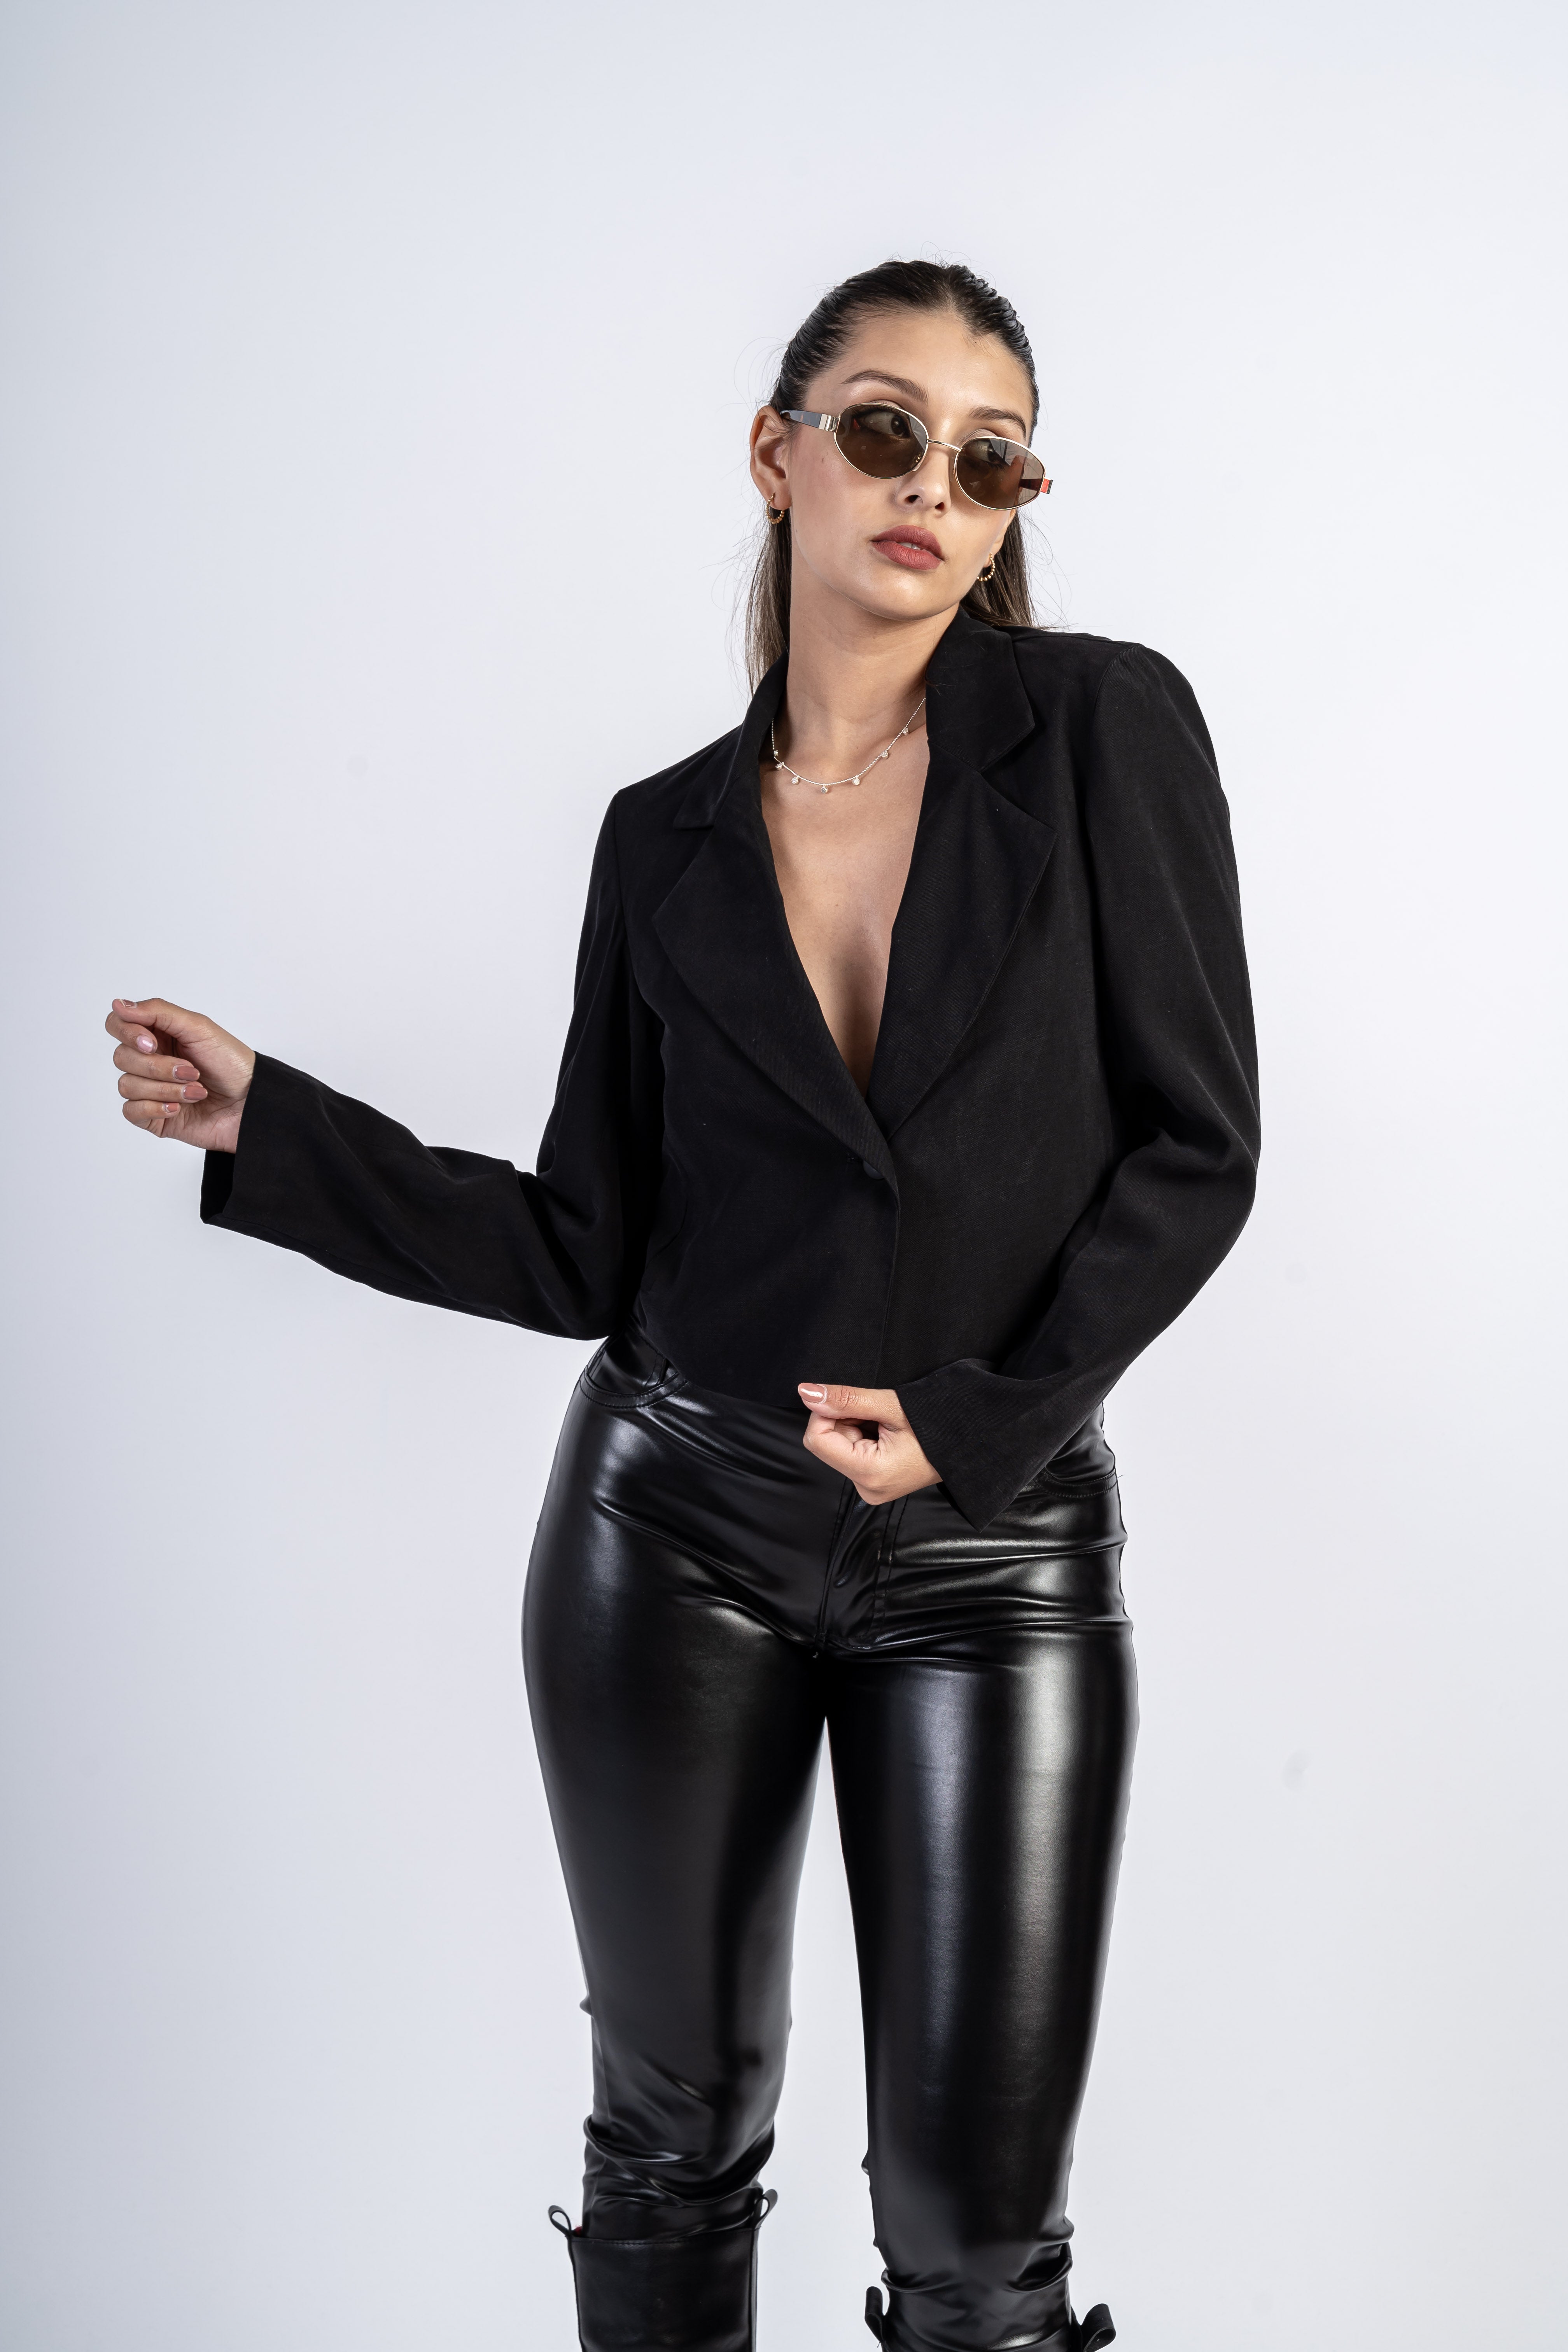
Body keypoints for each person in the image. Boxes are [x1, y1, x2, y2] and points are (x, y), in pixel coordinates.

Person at [104, 259, 1258, 2352]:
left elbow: (1201, 1147)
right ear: (778, 454)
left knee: (980, 2243)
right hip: (675, 1537)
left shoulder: (1104, 731)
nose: (933, 486)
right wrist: (276, 1126)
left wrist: (975, 1422)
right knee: (671, 2138)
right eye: (886, 429)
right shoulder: (663, 843)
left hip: (995, 1553)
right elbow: (582, 1245)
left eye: (990, 458)